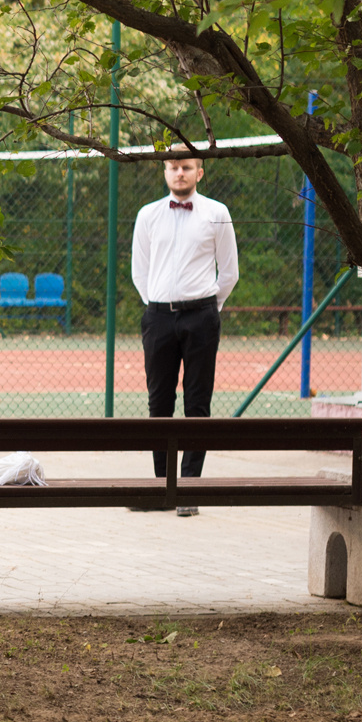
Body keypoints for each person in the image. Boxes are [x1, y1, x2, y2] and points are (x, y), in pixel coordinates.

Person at [128, 150, 239, 513]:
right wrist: (159, 304)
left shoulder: (217, 214)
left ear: (199, 173)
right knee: (158, 403)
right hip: (158, 317)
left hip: (201, 317)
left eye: (186, 167)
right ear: (165, 171)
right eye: (173, 167)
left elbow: (230, 272)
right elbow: (139, 271)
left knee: (197, 403)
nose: (180, 173)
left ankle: (189, 488)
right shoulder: (147, 215)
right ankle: (163, 487)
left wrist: (207, 308)